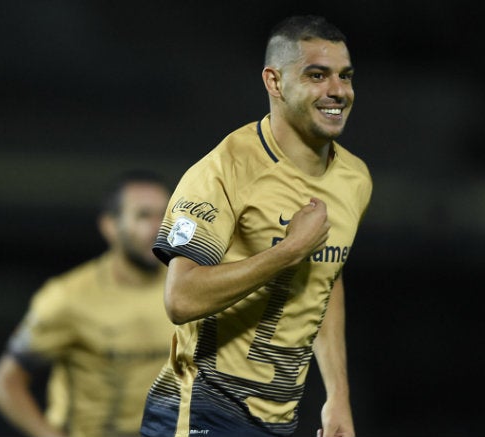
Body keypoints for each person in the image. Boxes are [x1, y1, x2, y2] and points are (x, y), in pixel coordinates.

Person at [140, 15, 371, 437]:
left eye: (345, 76)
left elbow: (324, 278)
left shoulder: (354, 179)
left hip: (278, 420)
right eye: (317, 76)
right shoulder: (223, 171)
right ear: (274, 82)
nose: (337, 91)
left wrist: (337, 396)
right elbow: (181, 298)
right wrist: (288, 252)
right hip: (201, 409)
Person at [0, 170, 174, 437]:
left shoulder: (189, 286)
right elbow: (4, 385)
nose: (158, 227)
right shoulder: (67, 297)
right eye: (143, 215)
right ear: (110, 225)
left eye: (164, 215)